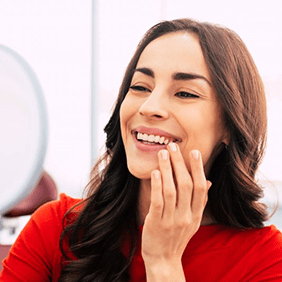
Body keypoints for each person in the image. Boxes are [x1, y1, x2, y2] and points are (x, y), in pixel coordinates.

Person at [1, 18, 282, 282]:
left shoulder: (267, 259)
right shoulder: (56, 228)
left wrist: (163, 263)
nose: (149, 107)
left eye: (185, 93)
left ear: (230, 127)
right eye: (140, 87)